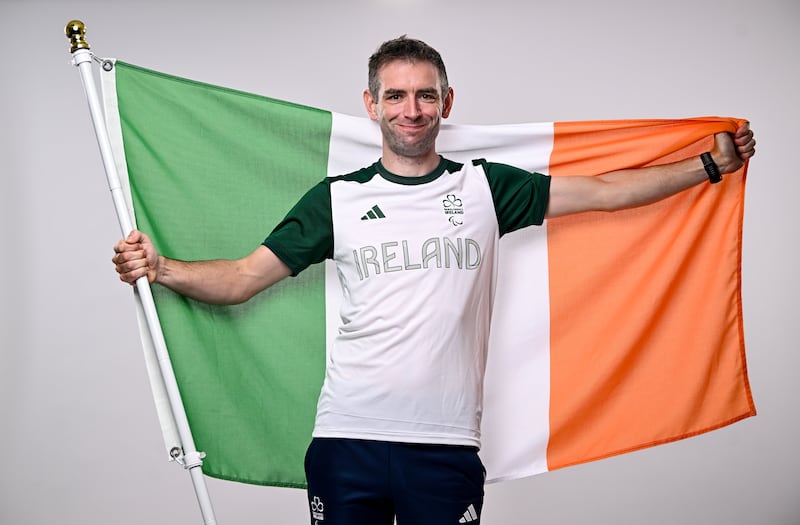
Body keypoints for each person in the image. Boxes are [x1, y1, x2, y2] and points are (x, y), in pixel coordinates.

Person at [113, 36, 756, 525]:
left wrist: (708, 164)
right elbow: (244, 278)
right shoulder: (335, 199)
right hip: (347, 440)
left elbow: (608, 193)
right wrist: (160, 268)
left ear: (447, 102)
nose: (411, 110)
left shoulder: (485, 187)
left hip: (444, 446)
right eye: (395, 95)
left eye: (425, 95)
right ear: (372, 105)